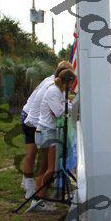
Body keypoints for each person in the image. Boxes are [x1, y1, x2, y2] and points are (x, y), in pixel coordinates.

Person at [20, 61, 72, 201]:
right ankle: (32, 190)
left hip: (36, 121)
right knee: (37, 158)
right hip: (34, 121)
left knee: (41, 160)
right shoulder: (52, 88)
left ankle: (30, 185)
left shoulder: (52, 82)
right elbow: (57, 111)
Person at [29, 68, 76, 212]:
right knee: (50, 169)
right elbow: (59, 112)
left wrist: (67, 104)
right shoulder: (53, 91)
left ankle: (39, 199)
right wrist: (67, 105)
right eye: (71, 84)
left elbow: (64, 107)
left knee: (45, 167)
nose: (71, 87)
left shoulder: (58, 91)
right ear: (66, 81)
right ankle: (39, 200)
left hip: (47, 131)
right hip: (47, 132)